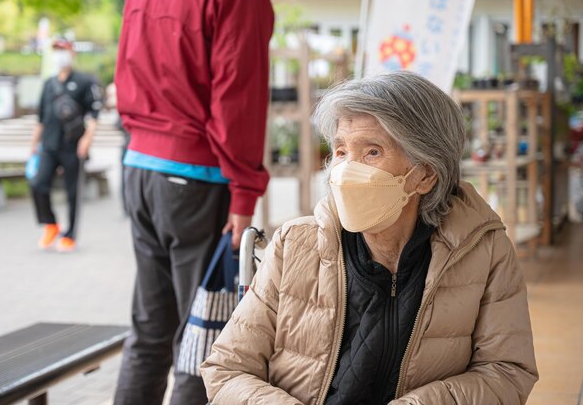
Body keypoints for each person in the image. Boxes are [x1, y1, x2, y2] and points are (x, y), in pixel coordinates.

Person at [201, 72, 539, 405]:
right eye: (342, 151)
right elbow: (227, 369)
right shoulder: (294, 246)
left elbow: (507, 372)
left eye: (372, 152)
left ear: (424, 175)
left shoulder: (483, 250)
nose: (346, 169)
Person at [112, 0, 274, 404]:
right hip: (196, 178)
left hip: (140, 167)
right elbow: (238, 91)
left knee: (150, 330)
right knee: (204, 338)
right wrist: (244, 191)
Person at [29, 39, 102, 252]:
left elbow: (94, 114)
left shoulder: (84, 81)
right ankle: (50, 224)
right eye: (57, 51)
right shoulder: (49, 84)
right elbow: (41, 117)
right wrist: (33, 144)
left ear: (73, 53)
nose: (60, 55)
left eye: (64, 50)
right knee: (38, 183)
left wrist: (87, 139)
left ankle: (70, 235)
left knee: (72, 192)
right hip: (49, 145)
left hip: (73, 145)